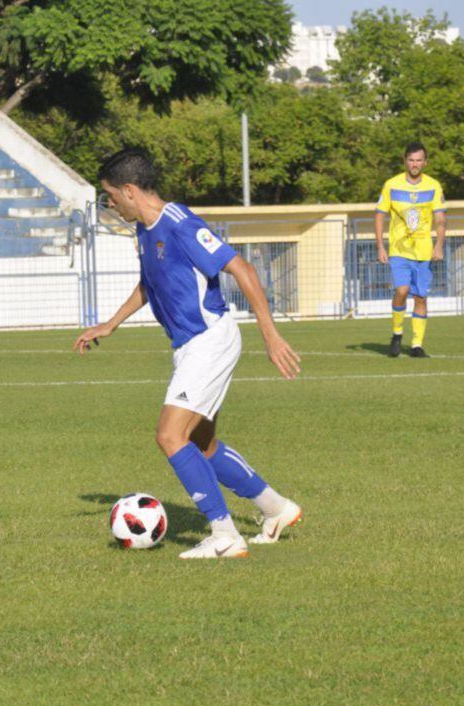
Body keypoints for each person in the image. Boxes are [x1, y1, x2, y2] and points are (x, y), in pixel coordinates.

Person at [74, 149, 303, 560]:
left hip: (209, 341)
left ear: (129, 190)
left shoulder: (178, 222)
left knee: (169, 435)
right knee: (203, 443)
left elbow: (243, 270)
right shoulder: (144, 231)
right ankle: (277, 508)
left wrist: (270, 335)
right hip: (190, 347)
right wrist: (111, 323)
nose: (110, 204)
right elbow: (150, 284)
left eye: (111, 195)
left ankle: (224, 533)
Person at [374, 142, 446, 358]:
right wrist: (380, 246)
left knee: (421, 298)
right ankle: (397, 333)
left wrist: (439, 244)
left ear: (425, 162)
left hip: (424, 252)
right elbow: (379, 215)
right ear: (405, 161)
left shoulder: (433, 186)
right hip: (398, 250)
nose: (415, 164)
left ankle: (416, 345)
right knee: (402, 290)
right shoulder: (392, 185)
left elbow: (440, 219)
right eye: (411, 160)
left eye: (419, 160)